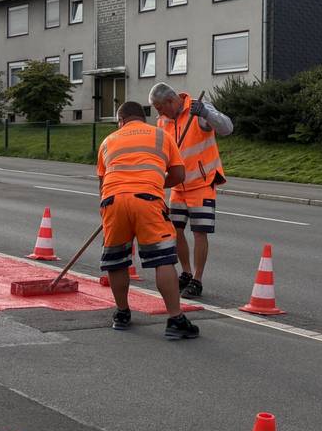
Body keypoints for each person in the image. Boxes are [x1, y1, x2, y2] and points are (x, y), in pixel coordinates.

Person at [96, 100, 200, 340]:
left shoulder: (108, 141)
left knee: (117, 260)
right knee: (162, 259)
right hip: (148, 199)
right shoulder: (161, 136)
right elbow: (178, 174)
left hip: (113, 200)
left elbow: (102, 184)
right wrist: (153, 181)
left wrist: (111, 205)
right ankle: (175, 319)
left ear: (120, 121)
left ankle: (122, 313)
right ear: (142, 118)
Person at [148, 82, 233, 298]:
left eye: (159, 107)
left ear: (170, 101)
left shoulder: (199, 109)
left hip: (202, 183)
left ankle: (197, 279)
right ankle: (185, 272)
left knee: (199, 232)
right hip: (178, 184)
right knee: (175, 230)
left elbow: (227, 128)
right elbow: (161, 152)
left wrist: (205, 113)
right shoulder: (162, 121)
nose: (159, 113)